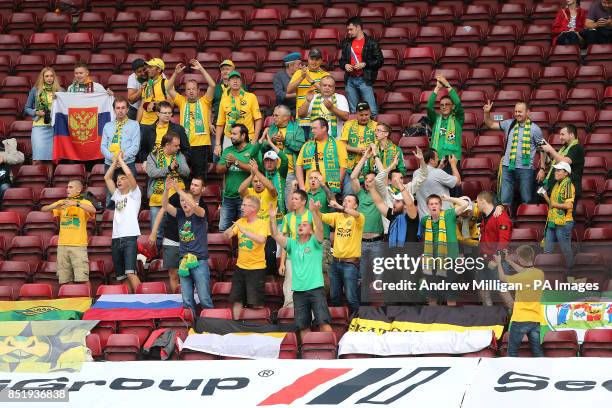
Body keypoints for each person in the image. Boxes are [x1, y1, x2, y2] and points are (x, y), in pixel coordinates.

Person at [270, 199, 333, 337]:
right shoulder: (292, 244)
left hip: (316, 288)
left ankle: (329, 352)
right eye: (299, 224)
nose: (300, 225)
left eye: (305, 225)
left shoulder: (315, 243)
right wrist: (272, 218)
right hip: (298, 292)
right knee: (303, 326)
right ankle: (306, 353)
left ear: (311, 230)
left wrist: (314, 211)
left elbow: (320, 228)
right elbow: (275, 235)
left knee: (323, 322)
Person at [162, 177, 213, 319]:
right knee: (187, 300)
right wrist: (167, 190)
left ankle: (212, 324)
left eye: (186, 200)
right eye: (182, 200)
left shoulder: (200, 213)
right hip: (184, 260)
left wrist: (179, 190)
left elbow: (195, 206)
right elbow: (164, 205)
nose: (184, 202)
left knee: (204, 298)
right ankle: (192, 326)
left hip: (199, 261)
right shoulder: (179, 214)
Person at [150, 176, 207, 294]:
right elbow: (164, 207)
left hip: (191, 246)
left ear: (203, 189)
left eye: (196, 185)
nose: (193, 187)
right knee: (174, 273)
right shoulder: (178, 197)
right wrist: (154, 231)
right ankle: (178, 298)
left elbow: (198, 212)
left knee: (192, 276)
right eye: (192, 184)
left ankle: (192, 299)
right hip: (172, 238)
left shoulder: (201, 206)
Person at [483, 101, 544, 208]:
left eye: (520, 111)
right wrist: (487, 113)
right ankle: (505, 223)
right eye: (515, 111)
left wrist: (542, 168)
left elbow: (543, 149)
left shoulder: (535, 129)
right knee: (504, 200)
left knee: (527, 199)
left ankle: (526, 222)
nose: (517, 114)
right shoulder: (509, 124)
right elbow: (490, 124)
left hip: (526, 169)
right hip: (507, 167)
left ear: (527, 112)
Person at [41, 179, 96, 290]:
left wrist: (76, 204)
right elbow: (43, 209)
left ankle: (89, 302)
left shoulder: (84, 202)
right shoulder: (63, 201)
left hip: (78, 245)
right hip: (62, 245)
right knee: (65, 280)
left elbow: (93, 210)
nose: (67, 189)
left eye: (71, 187)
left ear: (79, 189)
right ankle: (70, 302)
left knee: (83, 279)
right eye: (67, 187)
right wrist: (56, 206)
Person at [166, 59, 216, 180]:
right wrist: (175, 73)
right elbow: (168, 88)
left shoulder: (205, 101)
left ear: (198, 91)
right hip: (185, 145)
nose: (191, 91)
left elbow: (213, 85)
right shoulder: (182, 101)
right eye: (188, 89)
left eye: (194, 89)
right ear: (185, 92)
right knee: (184, 176)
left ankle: (198, 199)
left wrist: (201, 69)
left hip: (201, 145)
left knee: (199, 178)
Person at [316, 194, 365, 314]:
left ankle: (355, 321)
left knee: (351, 297)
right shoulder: (337, 217)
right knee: (334, 296)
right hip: (335, 263)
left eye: (349, 201)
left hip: (350, 264)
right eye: (344, 201)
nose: (345, 202)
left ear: (356, 205)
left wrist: (338, 206)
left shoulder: (359, 218)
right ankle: (339, 320)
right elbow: (320, 216)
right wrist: (315, 209)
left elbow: (356, 214)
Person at [494, 245, 545, 357]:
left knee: (512, 352)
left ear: (520, 259)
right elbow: (525, 271)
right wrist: (508, 261)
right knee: (537, 351)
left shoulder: (520, 278)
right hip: (535, 319)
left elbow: (502, 277)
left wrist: (498, 263)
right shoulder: (539, 273)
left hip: (521, 318)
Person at [224, 195, 268, 319]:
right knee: (237, 300)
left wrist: (244, 231)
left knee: (256, 304)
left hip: (256, 269)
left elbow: (261, 239)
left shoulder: (262, 223)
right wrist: (231, 227)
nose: (241, 207)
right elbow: (226, 236)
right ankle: (236, 326)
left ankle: (255, 329)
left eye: (244, 205)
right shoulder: (240, 221)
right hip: (240, 268)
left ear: (253, 208)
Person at [420, 194, 469, 305]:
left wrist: (448, 199)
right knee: (432, 294)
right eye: (431, 204)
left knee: (450, 294)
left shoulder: (449, 214)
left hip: (450, 259)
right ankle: (433, 319)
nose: (434, 206)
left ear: (440, 205)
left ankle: (450, 319)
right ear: (427, 206)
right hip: (432, 260)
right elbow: (425, 239)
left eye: (436, 203)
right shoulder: (424, 220)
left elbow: (465, 204)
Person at [104, 152, 142, 293]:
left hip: (130, 237)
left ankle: (142, 300)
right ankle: (130, 302)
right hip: (116, 238)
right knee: (122, 277)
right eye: (118, 179)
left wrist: (120, 159)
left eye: (122, 178)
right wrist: (114, 163)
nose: (119, 181)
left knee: (131, 273)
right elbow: (107, 177)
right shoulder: (117, 195)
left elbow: (131, 175)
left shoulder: (134, 194)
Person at [146, 132, 190, 248]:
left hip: (177, 198)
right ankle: (156, 257)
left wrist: (178, 167)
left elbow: (187, 172)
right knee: (157, 231)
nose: (178, 147)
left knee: (180, 228)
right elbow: (151, 173)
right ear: (167, 145)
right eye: (176, 145)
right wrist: (169, 168)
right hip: (157, 198)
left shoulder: (179, 155)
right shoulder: (153, 155)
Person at [216, 124, 262, 231]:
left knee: (246, 229)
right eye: (231, 134)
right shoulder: (228, 150)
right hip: (228, 197)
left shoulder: (252, 150)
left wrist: (236, 162)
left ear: (243, 135)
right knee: (223, 229)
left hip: (247, 197)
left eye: (235, 134)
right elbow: (218, 170)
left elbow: (255, 170)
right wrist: (227, 165)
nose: (231, 136)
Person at [368, 151, 420, 246]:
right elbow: (379, 203)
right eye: (395, 200)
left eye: (398, 200)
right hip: (392, 258)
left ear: (405, 206)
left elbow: (410, 204)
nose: (394, 202)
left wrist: (400, 185)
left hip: (407, 259)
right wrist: (371, 188)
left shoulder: (412, 218)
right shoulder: (393, 216)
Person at [238, 158, 278, 278]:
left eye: (260, 181)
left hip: (269, 234)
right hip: (253, 235)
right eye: (255, 181)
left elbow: (271, 188)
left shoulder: (270, 194)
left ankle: (271, 287)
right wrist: (252, 175)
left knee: (270, 264)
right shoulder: (250, 193)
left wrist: (257, 172)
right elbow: (240, 190)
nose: (258, 183)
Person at [350, 148, 384, 282]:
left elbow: (383, 174)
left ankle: (380, 302)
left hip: (377, 242)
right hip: (361, 242)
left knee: (379, 277)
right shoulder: (360, 193)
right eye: (366, 180)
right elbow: (353, 177)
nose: (368, 182)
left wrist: (375, 155)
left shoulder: (381, 193)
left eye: (371, 180)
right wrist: (364, 158)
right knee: (362, 277)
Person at [339, 16, 383, 117]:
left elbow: (380, 61)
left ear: (358, 27)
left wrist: (365, 64)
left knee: (372, 111)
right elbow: (342, 61)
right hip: (350, 79)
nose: (349, 32)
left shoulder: (371, 42)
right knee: (354, 111)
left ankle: (371, 131)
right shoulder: (347, 43)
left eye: (351, 29)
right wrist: (345, 65)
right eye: (348, 30)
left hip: (364, 78)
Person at [101, 96, 140, 207]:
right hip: (110, 165)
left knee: (129, 197)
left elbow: (135, 146)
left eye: (123, 108)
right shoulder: (107, 126)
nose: (120, 110)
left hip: (127, 164)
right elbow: (103, 146)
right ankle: (111, 222)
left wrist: (121, 158)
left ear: (127, 109)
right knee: (111, 197)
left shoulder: (134, 125)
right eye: (118, 108)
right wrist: (113, 158)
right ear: (114, 110)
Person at [261, 105, 302, 211]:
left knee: (290, 205)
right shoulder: (271, 129)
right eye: (273, 115)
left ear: (286, 117)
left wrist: (285, 141)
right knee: (273, 204)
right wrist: (271, 142)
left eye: (276, 115)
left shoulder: (297, 129)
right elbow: (262, 148)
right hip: (272, 173)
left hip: (290, 173)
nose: (273, 117)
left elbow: (300, 148)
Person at [476, 191, 513, 307]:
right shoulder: (484, 218)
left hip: (497, 261)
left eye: (477, 202)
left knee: (503, 291)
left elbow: (503, 241)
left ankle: (515, 321)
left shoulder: (501, 217)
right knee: (483, 290)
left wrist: (495, 259)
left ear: (483, 201)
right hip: (484, 259)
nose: (476, 205)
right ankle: (488, 316)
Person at [427, 75, 464, 188]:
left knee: (454, 190)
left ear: (452, 107)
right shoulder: (436, 119)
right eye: (441, 105)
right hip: (437, 160)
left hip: (452, 160)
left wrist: (447, 85)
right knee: (438, 191)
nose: (444, 107)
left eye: (447, 104)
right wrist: (437, 88)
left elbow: (458, 103)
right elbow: (429, 107)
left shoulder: (458, 119)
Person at [279, 189, 314, 307]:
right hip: (291, 257)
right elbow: (284, 241)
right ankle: (289, 309)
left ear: (303, 201)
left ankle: (308, 310)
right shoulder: (287, 217)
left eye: (296, 199)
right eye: (292, 198)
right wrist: (282, 263)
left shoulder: (311, 215)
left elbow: (315, 238)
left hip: (308, 257)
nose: (293, 201)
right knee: (289, 283)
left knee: (307, 284)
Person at [296, 117, 348, 195]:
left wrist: (335, 187)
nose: (312, 131)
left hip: (329, 190)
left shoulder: (338, 144)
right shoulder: (307, 145)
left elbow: (343, 167)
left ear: (324, 128)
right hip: (310, 191)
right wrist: (302, 187)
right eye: (311, 129)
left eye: (314, 128)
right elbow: (298, 166)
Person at [215, 71, 262, 155]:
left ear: (241, 82)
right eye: (232, 79)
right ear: (228, 82)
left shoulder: (251, 97)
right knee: (228, 165)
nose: (235, 81)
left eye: (237, 79)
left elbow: (258, 119)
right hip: (229, 138)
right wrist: (218, 144)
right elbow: (220, 123)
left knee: (247, 164)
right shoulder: (224, 100)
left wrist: (255, 139)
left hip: (247, 138)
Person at [24, 67, 62, 170]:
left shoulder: (60, 91)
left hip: (54, 127)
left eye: (51, 76)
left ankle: (49, 183)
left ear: (54, 77)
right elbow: (26, 108)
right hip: (39, 126)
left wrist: (58, 99)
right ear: (42, 77)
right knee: (37, 158)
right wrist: (36, 112)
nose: (49, 78)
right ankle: (35, 180)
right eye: (47, 76)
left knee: (50, 159)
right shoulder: (35, 90)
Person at [540, 162, 576, 267]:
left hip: (564, 222)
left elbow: (569, 205)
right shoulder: (556, 185)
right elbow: (552, 205)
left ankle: (570, 275)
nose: (555, 172)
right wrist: (545, 196)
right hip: (552, 221)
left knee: (566, 251)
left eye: (558, 170)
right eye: (556, 170)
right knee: (547, 251)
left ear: (566, 173)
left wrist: (554, 204)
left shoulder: (568, 185)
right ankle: (548, 275)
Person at [287, 48, 329, 133]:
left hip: (319, 119)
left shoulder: (326, 75)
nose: (314, 62)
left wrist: (312, 81)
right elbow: (289, 90)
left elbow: (327, 93)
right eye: (312, 59)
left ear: (321, 60)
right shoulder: (299, 73)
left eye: (317, 59)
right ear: (308, 59)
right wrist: (302, 77)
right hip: (302, 120)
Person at [539, 124, 584, 204]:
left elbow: (564, 163)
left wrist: (550, 149)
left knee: (566, 215)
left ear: (571, 135)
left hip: (568, 190)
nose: (560, 137)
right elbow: (553, 165)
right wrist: (544, 151)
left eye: (562, 134)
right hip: (554, 186)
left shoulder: (577, 148)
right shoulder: (563, 149)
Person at [340, 102, 377, 196]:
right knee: (349, 193)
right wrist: (356, 150)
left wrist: (369, 151)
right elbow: (342, 145)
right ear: (356, 113)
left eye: (366, 114)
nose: (364, 117)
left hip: (369, 167)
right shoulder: (348, 124)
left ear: (370, 113)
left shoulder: (376, 126)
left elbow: (378, 146)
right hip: (351, 166)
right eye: (361, 115)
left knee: (370, 195)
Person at [413, 149, 460, 219]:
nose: (439, 159)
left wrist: (439, 168)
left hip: (425, 218)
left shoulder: (415, 173)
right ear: (431, 160)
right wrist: (453, 165)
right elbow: (458, 182)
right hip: (442, 218)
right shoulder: (438, 173)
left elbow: (430, 177)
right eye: (437, 157)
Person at [297, 75, 349, 139]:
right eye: (324, 85)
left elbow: (345, 117)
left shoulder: (340, 98)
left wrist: (332, 108)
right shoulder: (313, 97)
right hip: (315, 139)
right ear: (320, 86)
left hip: (335, 139)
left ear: (334, 88)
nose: (327, 88)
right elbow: (301, 115)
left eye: (330, 86)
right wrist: (307, 101)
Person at [212, 60, 248, 129]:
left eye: (227, 69)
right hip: (218, 123)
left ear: (233, 71)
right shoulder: (215, 88)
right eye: (222, 70)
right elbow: (208, 106)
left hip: (237, 122)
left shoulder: (242, 87)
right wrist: (209, 123)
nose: (225, 71)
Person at [137, 58, 172, 126]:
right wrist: (137, 124)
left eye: (150, 67)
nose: (147, 70)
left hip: (159, 124)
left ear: (159, 70)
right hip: (144, 124)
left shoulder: (166, 83)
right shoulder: (146, 84)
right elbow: (141, 107)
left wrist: (156, 104)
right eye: (147, 67)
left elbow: (171, 104)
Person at [259, 142, 288, 220]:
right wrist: (261, 140)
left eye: (271, 160)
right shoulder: (261, 173)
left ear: (277, 162)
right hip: (264, 213)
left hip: (279, 213)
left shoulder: (281, 173)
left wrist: (271, 144)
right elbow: (253, 155)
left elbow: (285, 159)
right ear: (263, 162)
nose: (269, 163)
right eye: (267, 160)